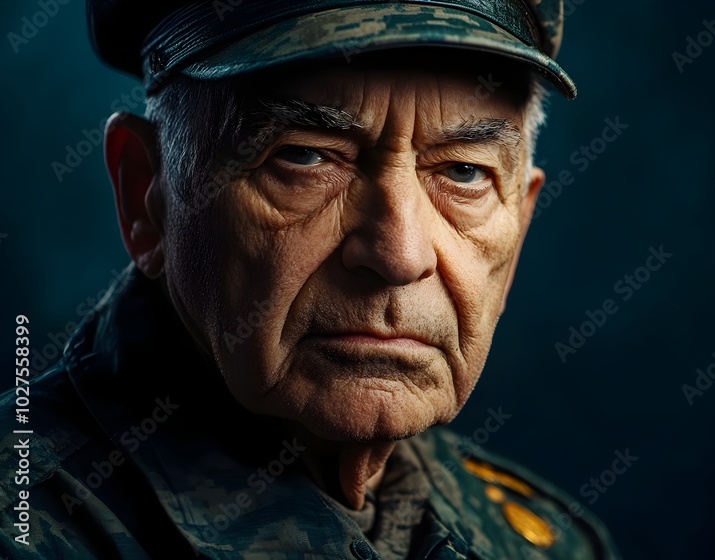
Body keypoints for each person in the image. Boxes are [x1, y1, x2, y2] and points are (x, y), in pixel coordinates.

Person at [0, 0, 620, 558]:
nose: (400, 255)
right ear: (146, 195)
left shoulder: (549, 546)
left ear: (518, 229)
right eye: (305, 157)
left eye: (463, 172)